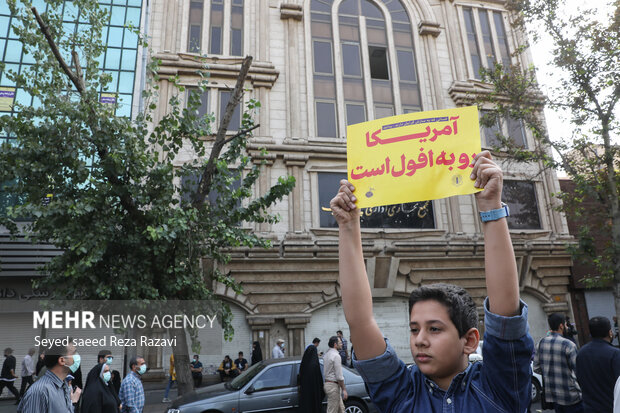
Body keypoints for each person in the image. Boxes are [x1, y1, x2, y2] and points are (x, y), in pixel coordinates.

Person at [329, 151, 534, 412]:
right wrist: (347, 226)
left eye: (434, 329)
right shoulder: (400, 393)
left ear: (470, 341)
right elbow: (360, 321)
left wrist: (491, 207)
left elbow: (506, 314)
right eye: (415, 329)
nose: (419, 340)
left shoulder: (500, 387)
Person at [534, 313, 583, 412]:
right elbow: (579, 372)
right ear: (561, 326)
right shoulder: (568, 344)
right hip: (571, 396)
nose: (566, 327)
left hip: (553, 396)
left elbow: (536, 368)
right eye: (565, 325)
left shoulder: (541, 343)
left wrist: (550, 373)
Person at [17, 343, 82, 413]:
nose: (77, 356)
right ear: (62, 360)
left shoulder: (64, 385)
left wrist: (72, 403)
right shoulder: (40, 392)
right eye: (74, 353)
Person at [576, 316, 620, 412]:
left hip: (589, 408)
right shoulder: (615, 354)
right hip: (609, 407)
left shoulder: (581, 352)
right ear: (609, 333)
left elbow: (579, 378)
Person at [323, 335, 347, 413]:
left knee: (341, 409)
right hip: (333, 386)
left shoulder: (326, 354)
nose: (342, 344)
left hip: (329, 384)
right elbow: (339, 376)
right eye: (340, 342)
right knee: (332, 410)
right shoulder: (336, 356)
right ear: (335, 344)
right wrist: (344, 389)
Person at [299, 343, 325, 413]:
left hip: (305, 393)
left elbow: (300, 378)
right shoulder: (315, 365)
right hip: (314, 393)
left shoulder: (303, 364)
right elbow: (319, 380)